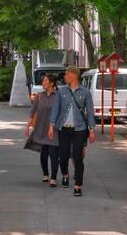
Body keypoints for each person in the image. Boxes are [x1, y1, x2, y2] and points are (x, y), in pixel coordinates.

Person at [48, 67, 96, 196]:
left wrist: (92, 129)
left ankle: (78, 185)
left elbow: (90, 112)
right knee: (63, 157)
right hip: (63, 129)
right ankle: (65, 174)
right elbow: (55, 109)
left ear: (74, 75)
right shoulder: (61, 91)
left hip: (79, 129)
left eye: (67, 74)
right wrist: (51, 125)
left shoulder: (85, 92)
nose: (65, 76)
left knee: (77, 157)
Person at [24, 72, 60, 187]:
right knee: (43, 153)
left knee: (54, 154)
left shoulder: (58, 96)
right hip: (40, 128)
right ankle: (45, 174)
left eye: (45, 81)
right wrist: (27, 126)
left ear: (52, 83)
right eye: (43, 81)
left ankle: (53, 178)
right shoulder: (39, 96)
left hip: (53, 129)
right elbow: (32, 112)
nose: (43, 83)